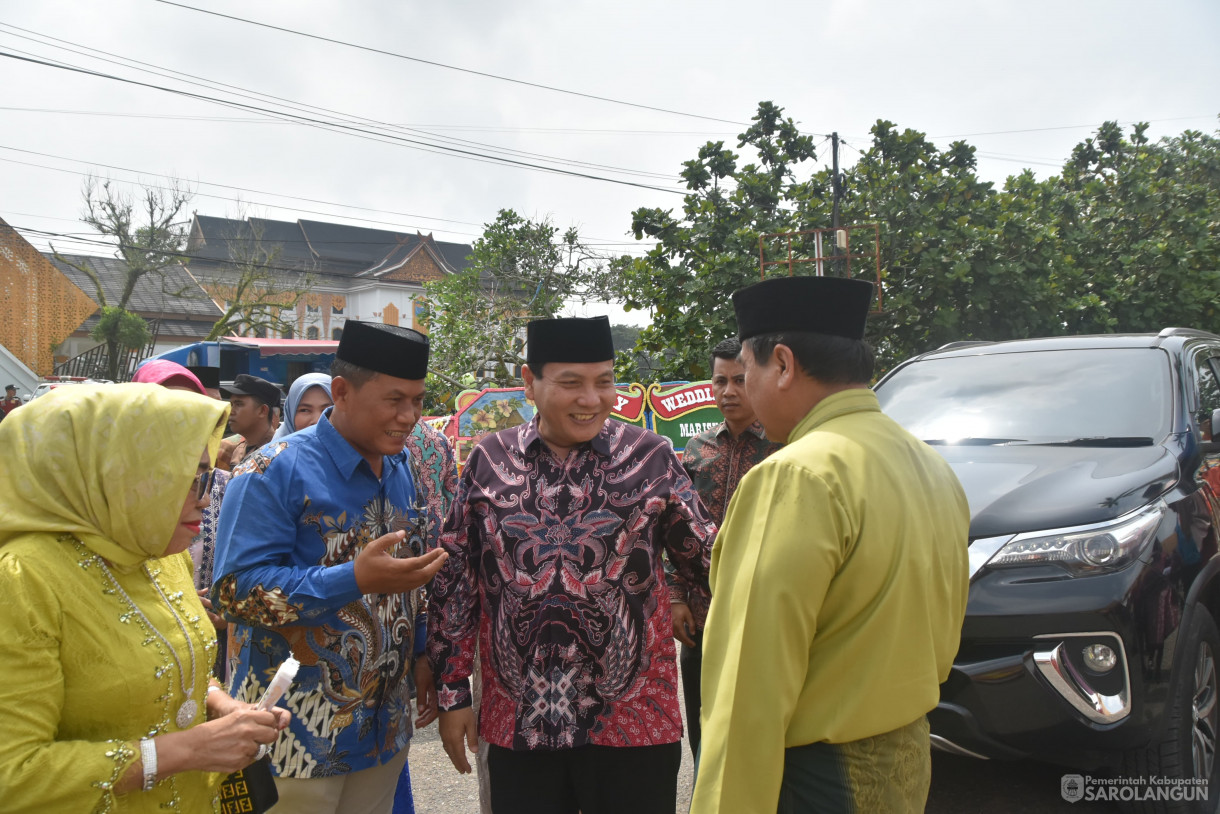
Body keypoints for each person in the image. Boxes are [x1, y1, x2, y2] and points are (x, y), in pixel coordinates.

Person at [690, 276, 971, 814]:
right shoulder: (929, 465)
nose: (741, 391)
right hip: (905, 762)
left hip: (821, 778)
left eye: (746, 373)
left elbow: (749, 683)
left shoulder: (797, 474)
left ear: (783, 364)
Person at [428, 315, 715, 814]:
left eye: (604, 382)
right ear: (529, 383)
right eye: (571, 383)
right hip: (518, 721)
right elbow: (456, 581)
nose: (591, 399)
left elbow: (709, 564)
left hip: (635, 721)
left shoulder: (651, 458)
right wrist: (453, 696)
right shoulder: (488, 461)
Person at [0, 383, 290, 813]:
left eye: (207, 477)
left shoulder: (155, 551)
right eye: (189, 480)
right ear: (113, 474)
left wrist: (222, 706)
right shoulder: (22, 581)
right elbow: (14, 774)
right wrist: (185, 750)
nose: (206, 498)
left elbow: (169, 663)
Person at [211, 321, 449, 814]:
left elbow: (412, 575)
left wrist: (423, 653)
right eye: (394, 400)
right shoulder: (272, 471)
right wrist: (352, 579)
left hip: (383, 731)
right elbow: (234, 592)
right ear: (341, 391)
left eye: (419, 401)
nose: (409, 417)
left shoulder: (402, 468)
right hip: (294, 737)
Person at [672, 336, 782, 760]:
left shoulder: (782, 444)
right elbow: (674, 526)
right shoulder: (698, 447)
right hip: (700, 611)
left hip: (760, 607)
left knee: (756, 715)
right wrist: (676, 596)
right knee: (702, 715)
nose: (729, 391)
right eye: (720, 381)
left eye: (739, 380)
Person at [218, 374, 282, 470]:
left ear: (262, 411)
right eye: (231, 404)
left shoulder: (278, 452)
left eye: (239, 404)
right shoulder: (237, 450)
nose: (231, 411)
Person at [272, 372, 333, 439]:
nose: (317, 421)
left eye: (328, 409)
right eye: (304, 410)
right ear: (290, 413)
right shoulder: (276, 448)